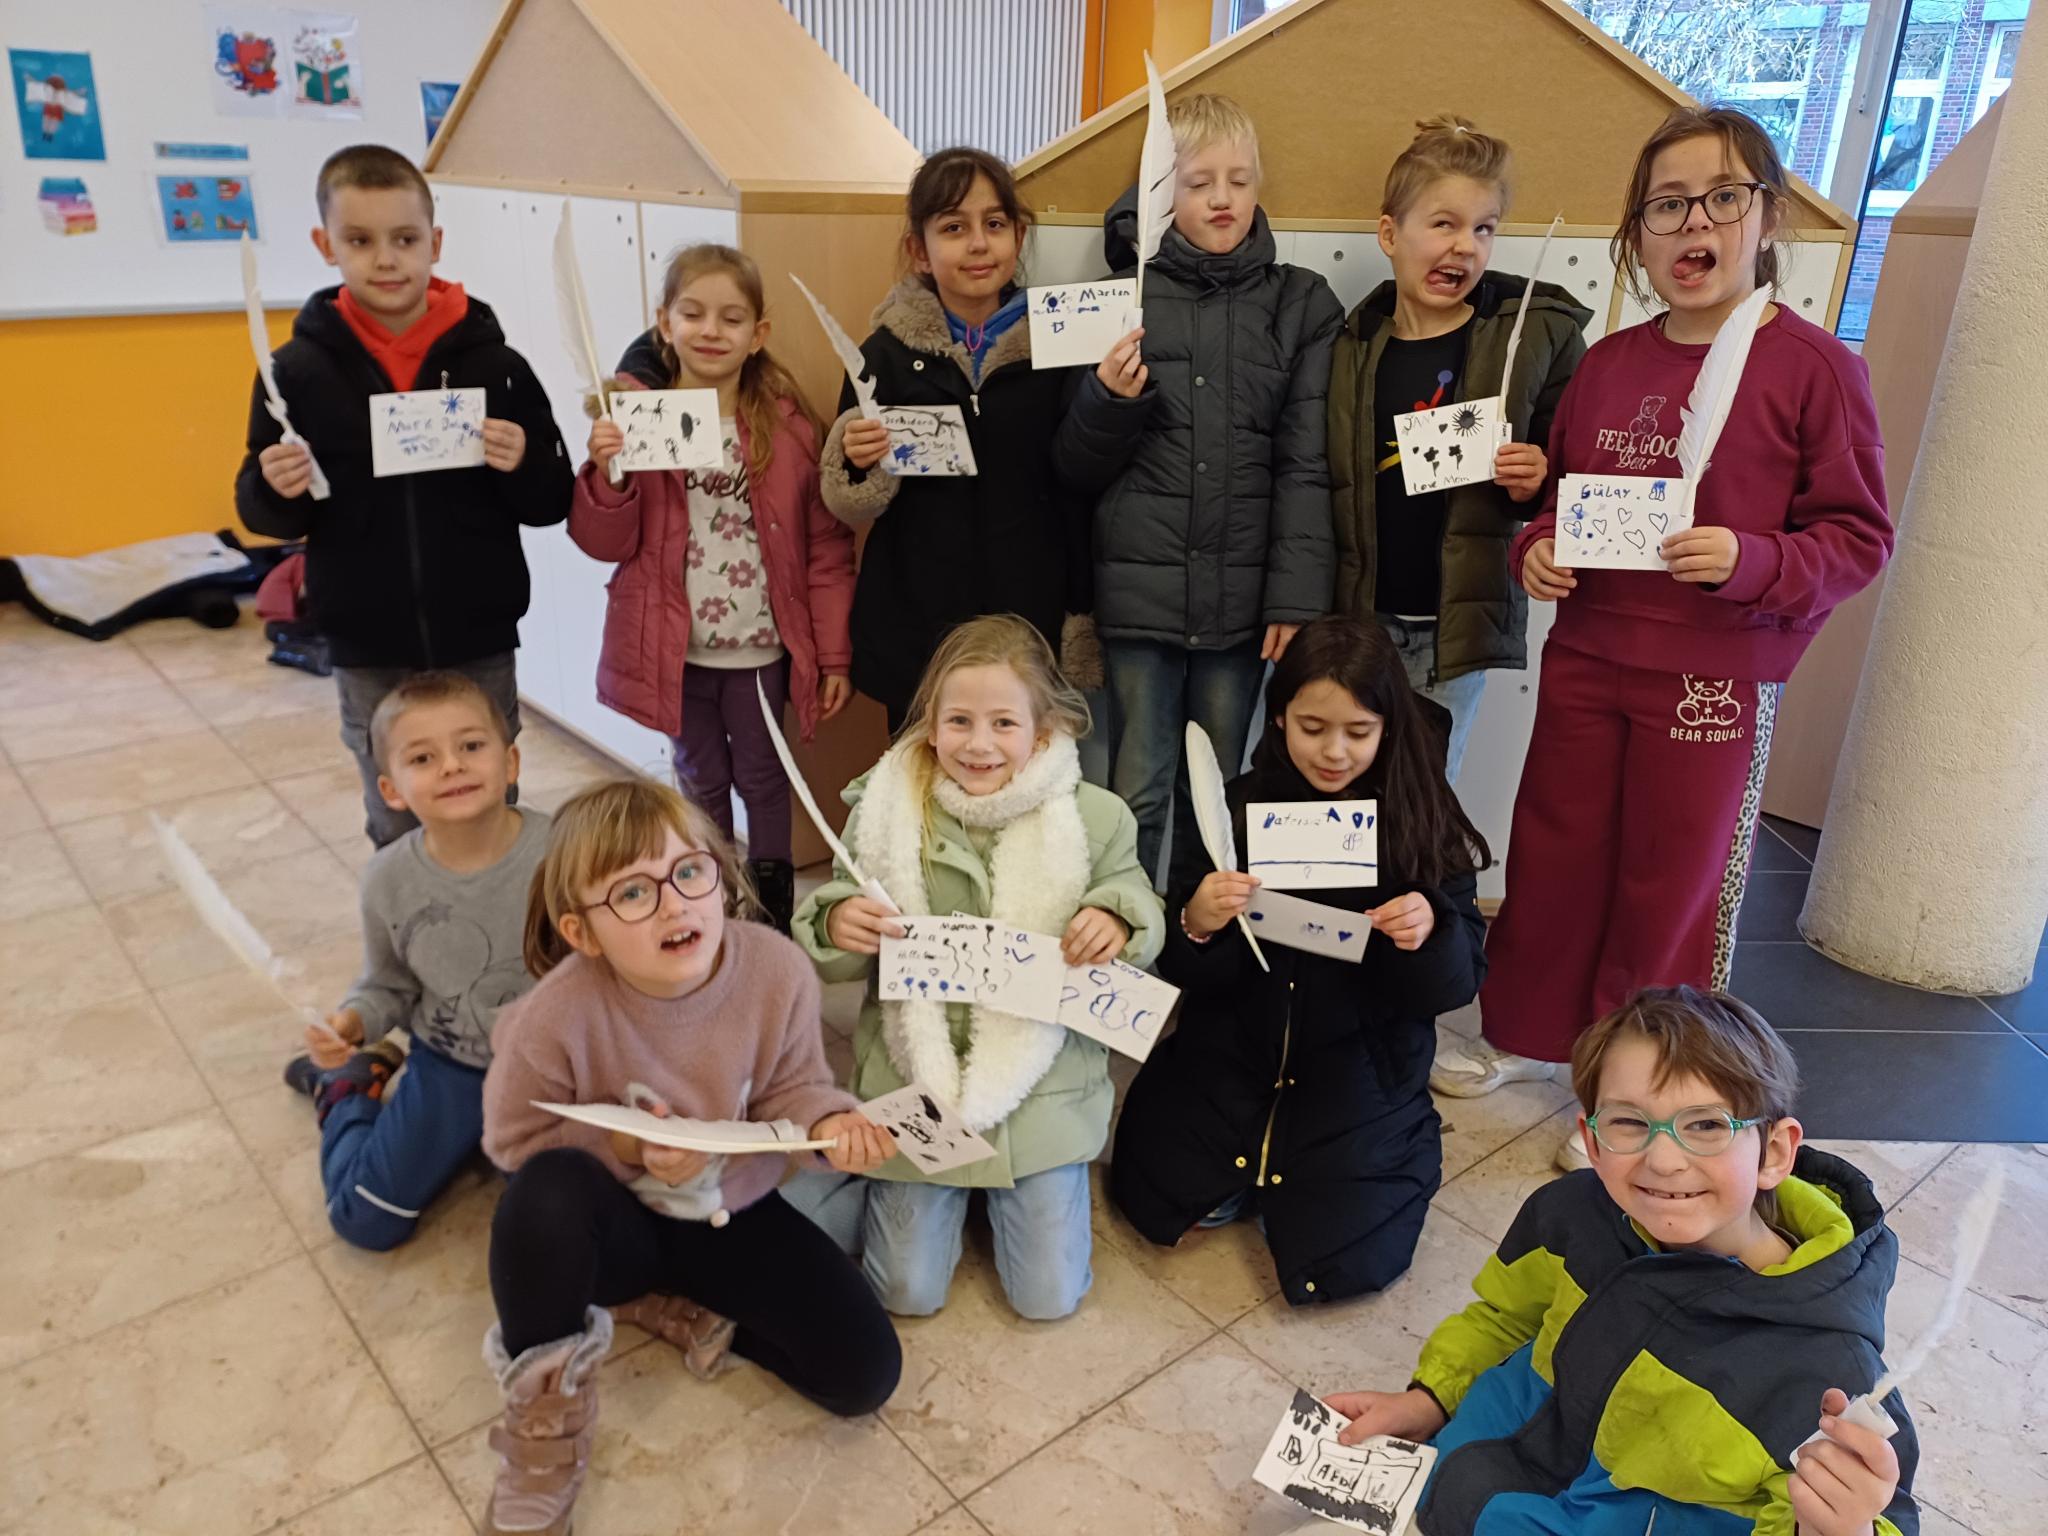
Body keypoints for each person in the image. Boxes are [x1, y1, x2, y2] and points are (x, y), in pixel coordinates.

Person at [1433, 109, 1892, 1173]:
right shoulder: (1607, 365)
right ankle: (1527, 1032)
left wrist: (1750, 559)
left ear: (1765, 217)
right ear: (1636, 233)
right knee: (1553, 856)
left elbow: (1857, 538)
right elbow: (1565, 499)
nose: (1695, 224)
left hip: (1713, 677)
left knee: (1666, 886)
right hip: (1591, 656)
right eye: (1666, 205)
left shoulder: (1814, 368)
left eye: (1722, 198)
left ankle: (1633, 1090)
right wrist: (1538, 550)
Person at [1323, 987, 1920, 1536]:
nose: (1663, 1160)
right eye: (1630, 1122)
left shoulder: (1830, 1372)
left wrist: (1839, 1529)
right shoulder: (1570, 1215)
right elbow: (1504, 1319)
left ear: (1774, 1152)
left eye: (1706, 1125)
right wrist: (1429, 1400)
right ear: (1592, 1138)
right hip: (1458, 1488)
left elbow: (1878, 1515)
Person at [478, 779, 899, 1536]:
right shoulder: (553, 1017)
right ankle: (542, 1431)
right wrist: (625, 1147)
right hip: (616, 1231)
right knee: (541, 1199)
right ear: (582, 932)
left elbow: (794, 1087)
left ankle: (686, 1311)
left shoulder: (775, 969)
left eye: (690, 871)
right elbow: (513, 1144)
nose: (675, 905)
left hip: (728, 1215)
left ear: (720, 874)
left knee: (863, 1374)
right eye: (633, 893)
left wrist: (831, 1121)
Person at [794, 615, 1164, 1319]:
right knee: (905, 1292)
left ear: (1042, 731)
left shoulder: (1096, 817)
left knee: (1048, 1298)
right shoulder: (882, 808)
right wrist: (837, 922)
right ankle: (921, 1193)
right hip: (915, 1079)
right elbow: (838, 918)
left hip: (1040, 1088)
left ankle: (999, 1192)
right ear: (931, 725)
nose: (979, 743)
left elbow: (1139, 899)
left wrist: (1117, 916)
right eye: (959, 721)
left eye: (1003, 723)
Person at [1110, 616, 1487, 1302]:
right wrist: (1195, 923)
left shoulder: (1423, 816)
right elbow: (1190, 974)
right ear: (1279, 716)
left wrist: (1431, 930)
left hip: (1360, 1074)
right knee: (1154, 1186)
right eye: (1313, 728)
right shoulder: (1237, 805)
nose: (1334, 752)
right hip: (1230, 1058)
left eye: (1358, 732)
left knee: (1351, 1249)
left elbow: (1454, 986)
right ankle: (1243, 1175)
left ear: (1388, 726)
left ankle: (1279, 1179)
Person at [233, 144, 572, 846]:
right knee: (395, 808)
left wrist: (522, 462)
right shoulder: (293, 373)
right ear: (326, 245)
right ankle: (408, 914)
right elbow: (264, 510)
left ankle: (498, 911)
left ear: (435, 243)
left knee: (489, 801)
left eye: (406, 239)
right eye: (360, 241)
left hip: (477, 632)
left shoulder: (497, 365)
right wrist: (274, 485)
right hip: (366, 638)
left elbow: (551, 499)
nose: (386, 260)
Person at [1057, 92, 1344, 886]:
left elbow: (1307, 463)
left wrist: (1294, 598)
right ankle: (1130, 937)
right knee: (1137, 788)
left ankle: (1199, 937)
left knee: (1214, 794)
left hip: (1243, 602)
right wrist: (1107, 402)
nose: (1222, 198)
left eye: (1239, 181)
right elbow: (1073, 468)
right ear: (1160, 192)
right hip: (1139, 596)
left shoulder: (1301, 303)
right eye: (1198, 182)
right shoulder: (1116, 299)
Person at [573, 242, 855, 933]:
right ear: (663, 323)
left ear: (758, 335)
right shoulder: (637, 422)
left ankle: (770, 919)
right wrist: (608, 474)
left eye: (732, 318)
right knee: (698, 781)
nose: (711, 331)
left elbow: (825, 547)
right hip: (677, 651)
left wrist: (834, 655)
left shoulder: (787, 428)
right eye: (693, 313)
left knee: (763, 778)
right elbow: (606, 543)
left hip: (759, 651)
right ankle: (709, 901)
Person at [1328, 116, 1590, 781]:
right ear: (1390, 234)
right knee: (1350, 789)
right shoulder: (1349, 346)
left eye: (1484, 228)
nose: (1465, 246)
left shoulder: (1533, 340)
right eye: (1444, 223)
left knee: (1426, 797)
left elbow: (1574, 475)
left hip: (1455, 631)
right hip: (1361, 622)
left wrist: (1537, 479)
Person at [816, 148, 1113, 730]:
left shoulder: (1060, 347)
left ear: (1018, 236)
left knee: (1021, 771)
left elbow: (1081, 474)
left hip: (1028, 620)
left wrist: (1079, 608)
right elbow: (854, 501)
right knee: (918, 774)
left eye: (994, 224)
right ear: (918, 250)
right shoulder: (882, 356)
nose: (978, 244)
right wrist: (856, 458)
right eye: (954, 227)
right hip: (917, 625)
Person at [282, 671, 546, 1251]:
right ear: (391, 790)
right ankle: (346, 1087)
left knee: (564, 1212)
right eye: (423, 757)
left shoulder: (568, 852)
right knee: (366, 1221)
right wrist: (354, 1023)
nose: (452, 766)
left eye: (471, 745)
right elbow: (388, 985)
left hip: (554, 1075)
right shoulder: (388, 880)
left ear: (511, 762)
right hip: (450, 1067)